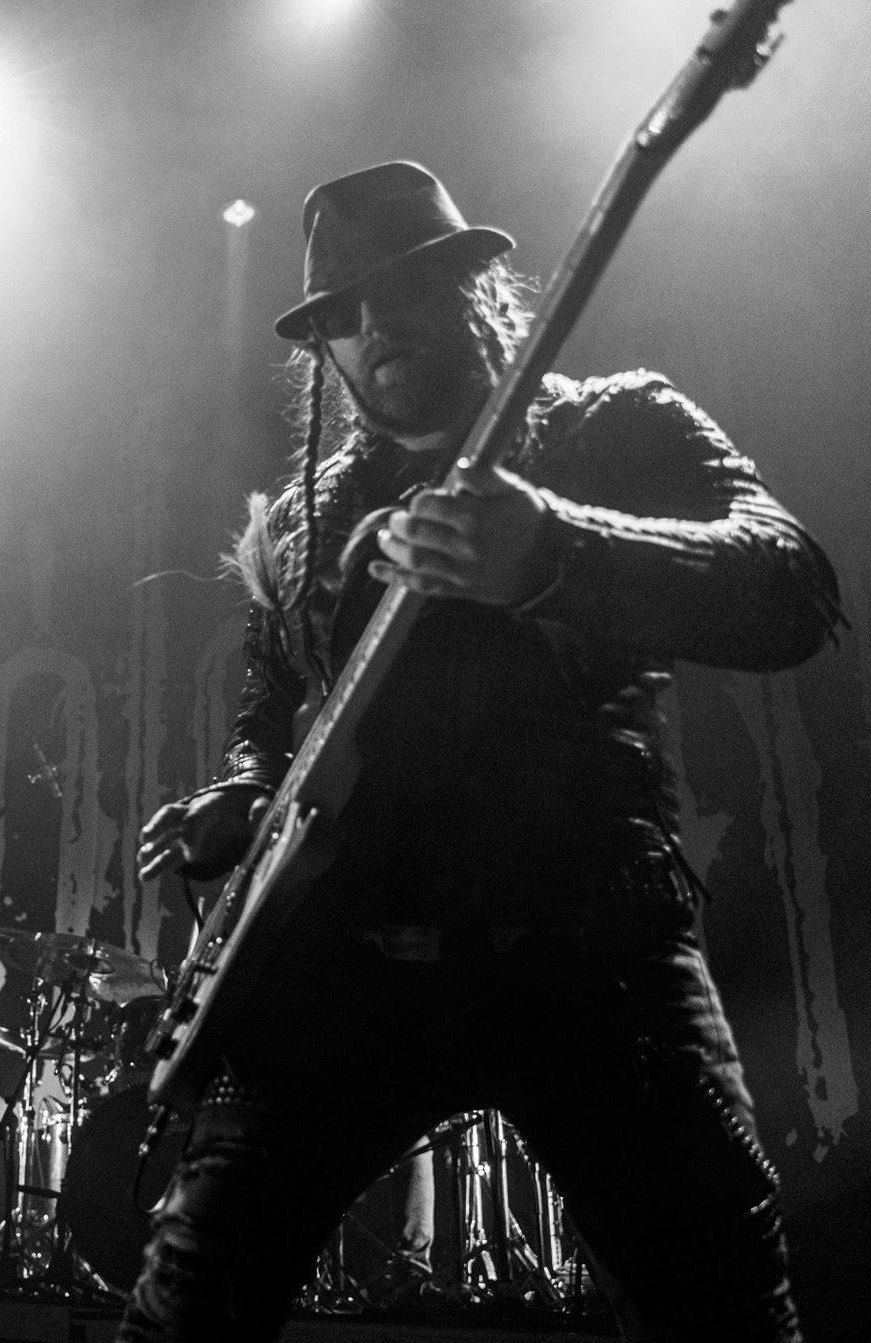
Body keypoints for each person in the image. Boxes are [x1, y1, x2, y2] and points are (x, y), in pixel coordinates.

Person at [125, 162, 839, 1341]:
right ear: (324, 350)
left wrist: (559, 552)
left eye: (403, 286)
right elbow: (274, 704)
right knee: (187, 1310)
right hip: (346, 968)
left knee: (725, 1318)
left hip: (593, 956)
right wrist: (245, 794)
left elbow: (794, 586)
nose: (375, 325)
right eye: (343, 312)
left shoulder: (616, 425)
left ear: (473, 283)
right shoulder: (301, 518)